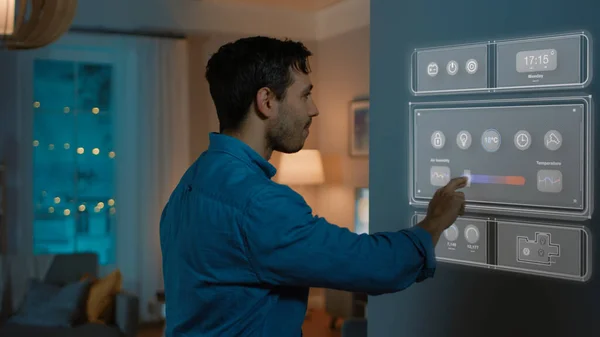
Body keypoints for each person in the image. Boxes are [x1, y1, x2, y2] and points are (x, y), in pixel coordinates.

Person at [159, 36, 467, 337]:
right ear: (266, 101)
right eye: (305, 95)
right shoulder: (259, 204)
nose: (314, 109)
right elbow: (374, 264)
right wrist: (435, 221)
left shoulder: (190, 183)